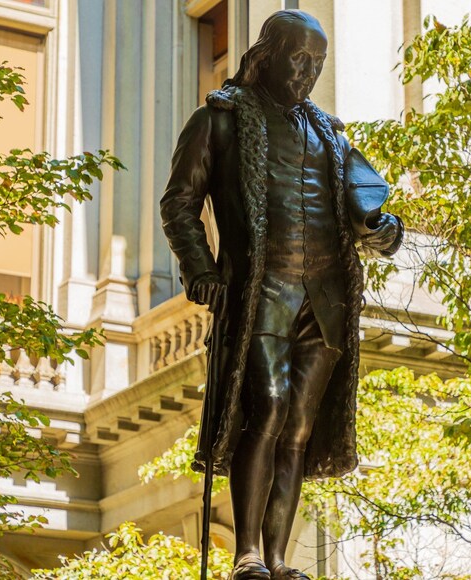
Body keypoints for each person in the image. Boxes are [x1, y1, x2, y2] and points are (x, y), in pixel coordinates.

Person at [160, 10, 402, 579]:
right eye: (299, 59)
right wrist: (201, 270)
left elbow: (364, 213)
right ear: (267, 52)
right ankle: (247, 552)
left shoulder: (332, 135)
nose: (307, 73)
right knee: (265, 409)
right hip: (260, 290)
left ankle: (276, 558)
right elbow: (179, 205)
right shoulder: (219, 120)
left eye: (317, 64)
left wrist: (385, 231)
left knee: (298, 425)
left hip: (326, 299)